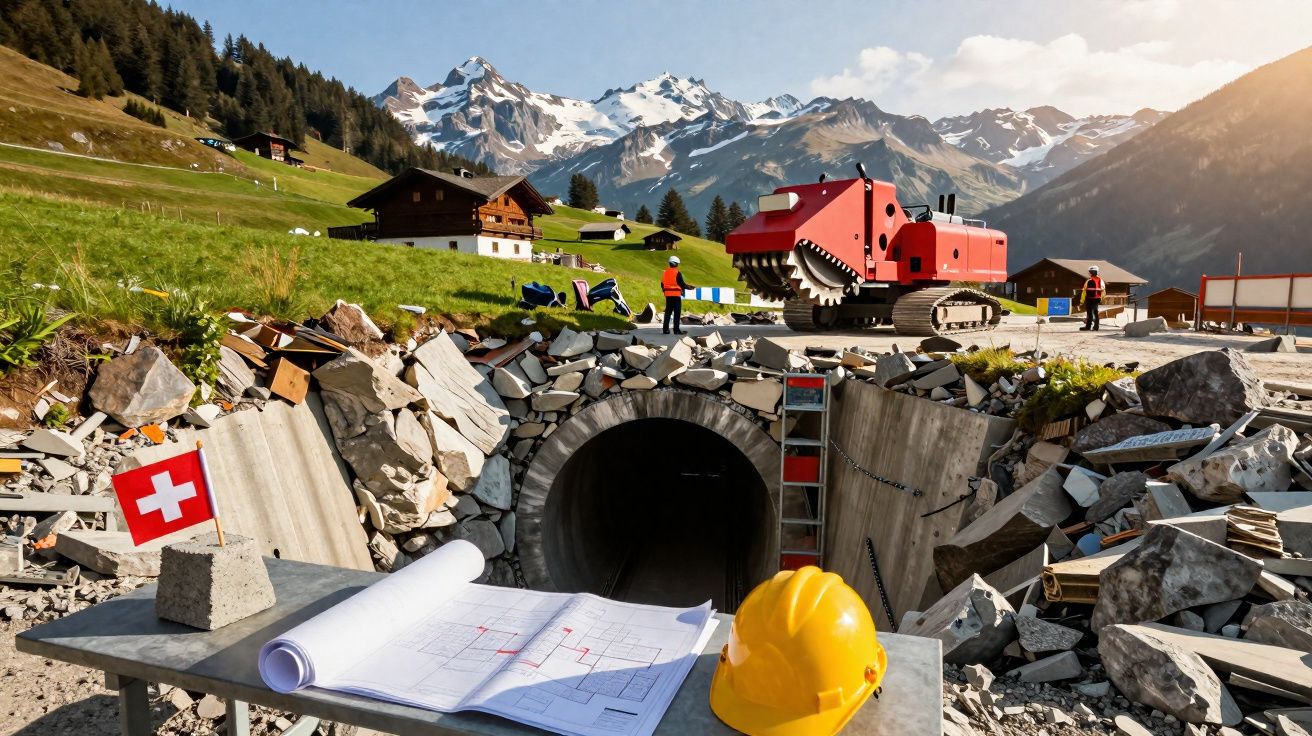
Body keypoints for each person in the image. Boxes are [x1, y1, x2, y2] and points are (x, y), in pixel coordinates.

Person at [661, 256, 694, 335]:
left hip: (668, 295)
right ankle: (676, 330)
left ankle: (665, 330)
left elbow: (662, 284)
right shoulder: (677, 273)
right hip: (676, 295)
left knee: (668, 312)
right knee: (677, 312)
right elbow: (682, 284)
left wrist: (665, 291)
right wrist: (690, 287)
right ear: (676, 264)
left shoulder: (665, 272)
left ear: (670, 263)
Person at [1079, 264, 1105, 331]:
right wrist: (1101, 299)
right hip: (1097, 299)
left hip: (1089, 298)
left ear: (1090, 272)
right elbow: (1103, 291)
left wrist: (1082, 301)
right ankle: (1096, 327)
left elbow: (1084, 292)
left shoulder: (1088, 281)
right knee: (1095, 313)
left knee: (1089, 313)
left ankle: (1088, 327)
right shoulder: (1101, 281)